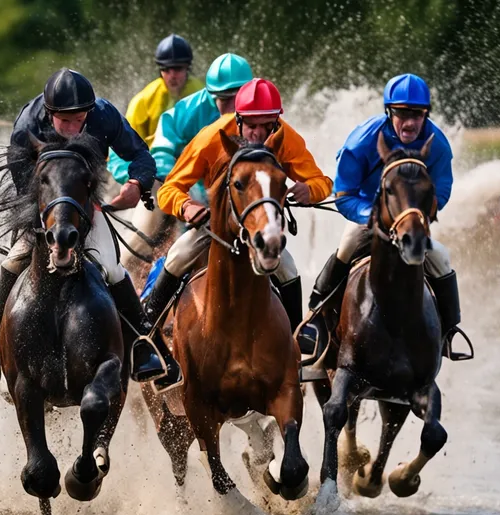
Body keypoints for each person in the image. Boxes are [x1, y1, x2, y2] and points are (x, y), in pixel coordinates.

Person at [0, 68, 182, 390]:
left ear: (89, 112)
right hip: (45, 211)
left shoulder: (104, 114)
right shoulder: (28, 123)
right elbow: (24, 180)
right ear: (49, 113)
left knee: (112, 268)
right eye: (64, 121)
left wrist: (137, 183)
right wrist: (55, 215)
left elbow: (139, 154)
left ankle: (145, 347)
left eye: (79, 120)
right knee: (13, 259)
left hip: (87, 208)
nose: (71, 129)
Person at [297, 73, 472, 361]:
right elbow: (343, 194)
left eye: (417, 114)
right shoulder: (363, 140)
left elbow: (441, 190)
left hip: (409, 221)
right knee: (347, 244)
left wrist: (415, 216)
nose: (410, 122)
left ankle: (451, 330)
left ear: (425, 114)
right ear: (389, 112)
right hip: (367, 216)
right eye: (402, 114)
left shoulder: (437, 144)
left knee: (440, 257)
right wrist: (375, 215)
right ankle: (314, 318)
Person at [144, 78, 333, 332]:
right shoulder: (212, 136)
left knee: (287, 267)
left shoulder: (285, 137)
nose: (257, 134)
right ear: (239, 119)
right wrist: (186, 206)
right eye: (251, 126)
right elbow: (169, 189)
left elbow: (322, 182)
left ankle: (296, 335)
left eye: (267, 126)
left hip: (262, 226)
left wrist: (310, 190)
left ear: (276, 122)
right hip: (218, 223)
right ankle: (146, 333)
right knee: (178, 255)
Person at [118, 53, 254, 266]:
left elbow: (283, 154)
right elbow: (162, 145)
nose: (231, 108)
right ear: (212, 94)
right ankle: (123, 287)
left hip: (237, 192)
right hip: (181, 186)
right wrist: (176, 187)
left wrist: (312, 186)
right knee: (139, 245)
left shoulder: (260, 110)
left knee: (284, 264)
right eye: (224, 98)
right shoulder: (186, 108)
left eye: (237, 97)